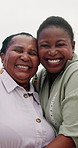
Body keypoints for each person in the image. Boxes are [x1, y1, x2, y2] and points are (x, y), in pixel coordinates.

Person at [0, 32, 55, 148]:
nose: (25, 57)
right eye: (18, 51)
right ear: (3, 57)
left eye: (32, 53)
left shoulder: (40, 94)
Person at [32, 16, 78, 148]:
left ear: (72, 46)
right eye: (45, 46)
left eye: (60, 44)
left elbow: (72, 135)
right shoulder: (41, 77)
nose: (52, 52)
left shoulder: (75, 72)